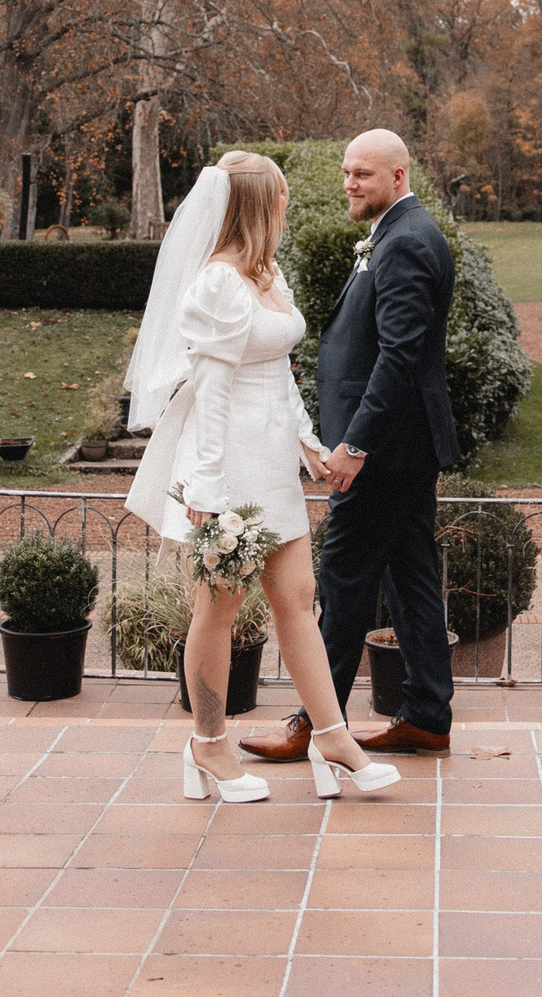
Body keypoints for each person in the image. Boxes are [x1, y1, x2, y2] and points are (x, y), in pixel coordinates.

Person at [121, 151, 400, 804]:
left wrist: (311, 445)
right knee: (216, 609)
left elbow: (277, 372)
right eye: (278, 198)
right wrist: (209, 488)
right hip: (225, 468)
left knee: (298, 598)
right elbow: (212, 388)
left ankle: (332, 739)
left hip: (272, 462)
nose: (286, 207)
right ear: (255, 205)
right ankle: (208, 747)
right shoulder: (218, 282)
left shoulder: (266, 273)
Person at [238, 129, 460, 766]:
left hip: (385, 452)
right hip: (401, 448)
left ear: (398, 175)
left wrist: (355, 444)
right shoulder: (395, 234)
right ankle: (426, 716)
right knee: (412, 579)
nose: (349, 183)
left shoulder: (408, 241)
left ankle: (317, 723)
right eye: (345, 172)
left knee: (341, 579)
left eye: (362, 173)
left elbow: (400, 355)